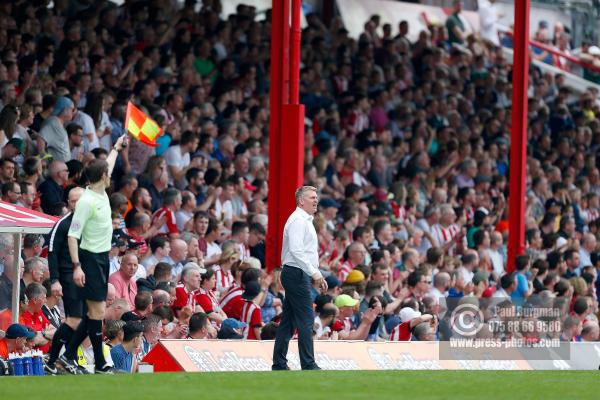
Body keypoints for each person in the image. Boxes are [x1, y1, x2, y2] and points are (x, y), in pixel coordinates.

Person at [58, 135, 127, 375]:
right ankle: (99, 362)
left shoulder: (100, 193)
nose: (110, 176)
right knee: (96, 313)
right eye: (107, 173)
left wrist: (117, 147)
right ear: (102, 178)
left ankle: (67, 355)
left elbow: (108, 161)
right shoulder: (87, 201)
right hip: (89, 259)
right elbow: (72, 236)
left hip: (102, 259)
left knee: (93, 314)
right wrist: (77, 266)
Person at [272, 186, 327, 371]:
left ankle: (279, 363)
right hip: (296, 273)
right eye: (312, 197)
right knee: (306, 319)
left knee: (288, 322)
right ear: (301, 201)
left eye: (316, 197)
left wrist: (313, 272)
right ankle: (308, 364)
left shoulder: (303, 220)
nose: (316, 200)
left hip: (296, 273)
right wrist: (316, 273)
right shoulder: (298, 220)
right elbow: (296, 250)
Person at [46, 186, 85, 373]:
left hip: (85, 278)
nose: (76, 204)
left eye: (80, 200)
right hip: (68, 277)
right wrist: (55, 280)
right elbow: (52, 253)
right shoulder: (62, 224)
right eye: (72, 201)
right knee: (75, 319)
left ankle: (68, 359)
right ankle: (55, 359)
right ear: (68, 203)